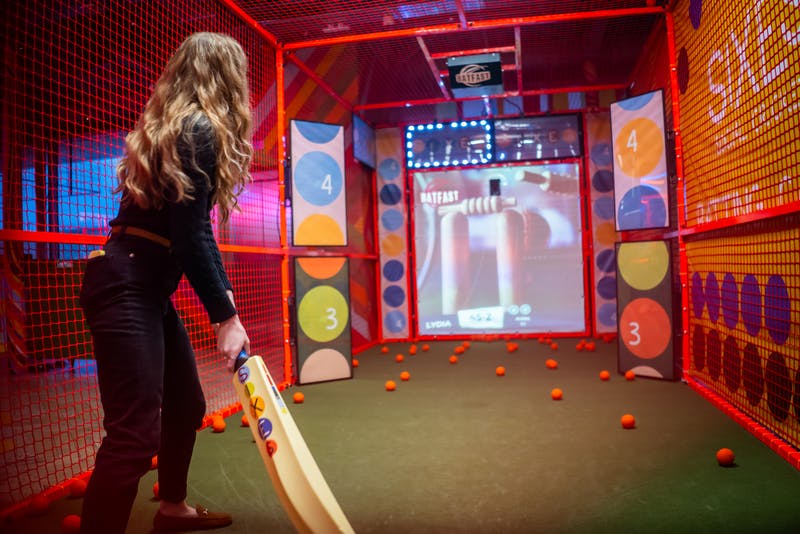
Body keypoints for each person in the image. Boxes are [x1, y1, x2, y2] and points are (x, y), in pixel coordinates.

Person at [79, 32, 252, 533]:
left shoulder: (179, 126)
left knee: (187, 404)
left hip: (144, 284)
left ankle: (172, 508)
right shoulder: (199, 128)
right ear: (225, 78)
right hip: (127, 283)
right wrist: (225, 318)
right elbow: (189, 238)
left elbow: (197, 231)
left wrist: (227, 298)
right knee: (134, 435)